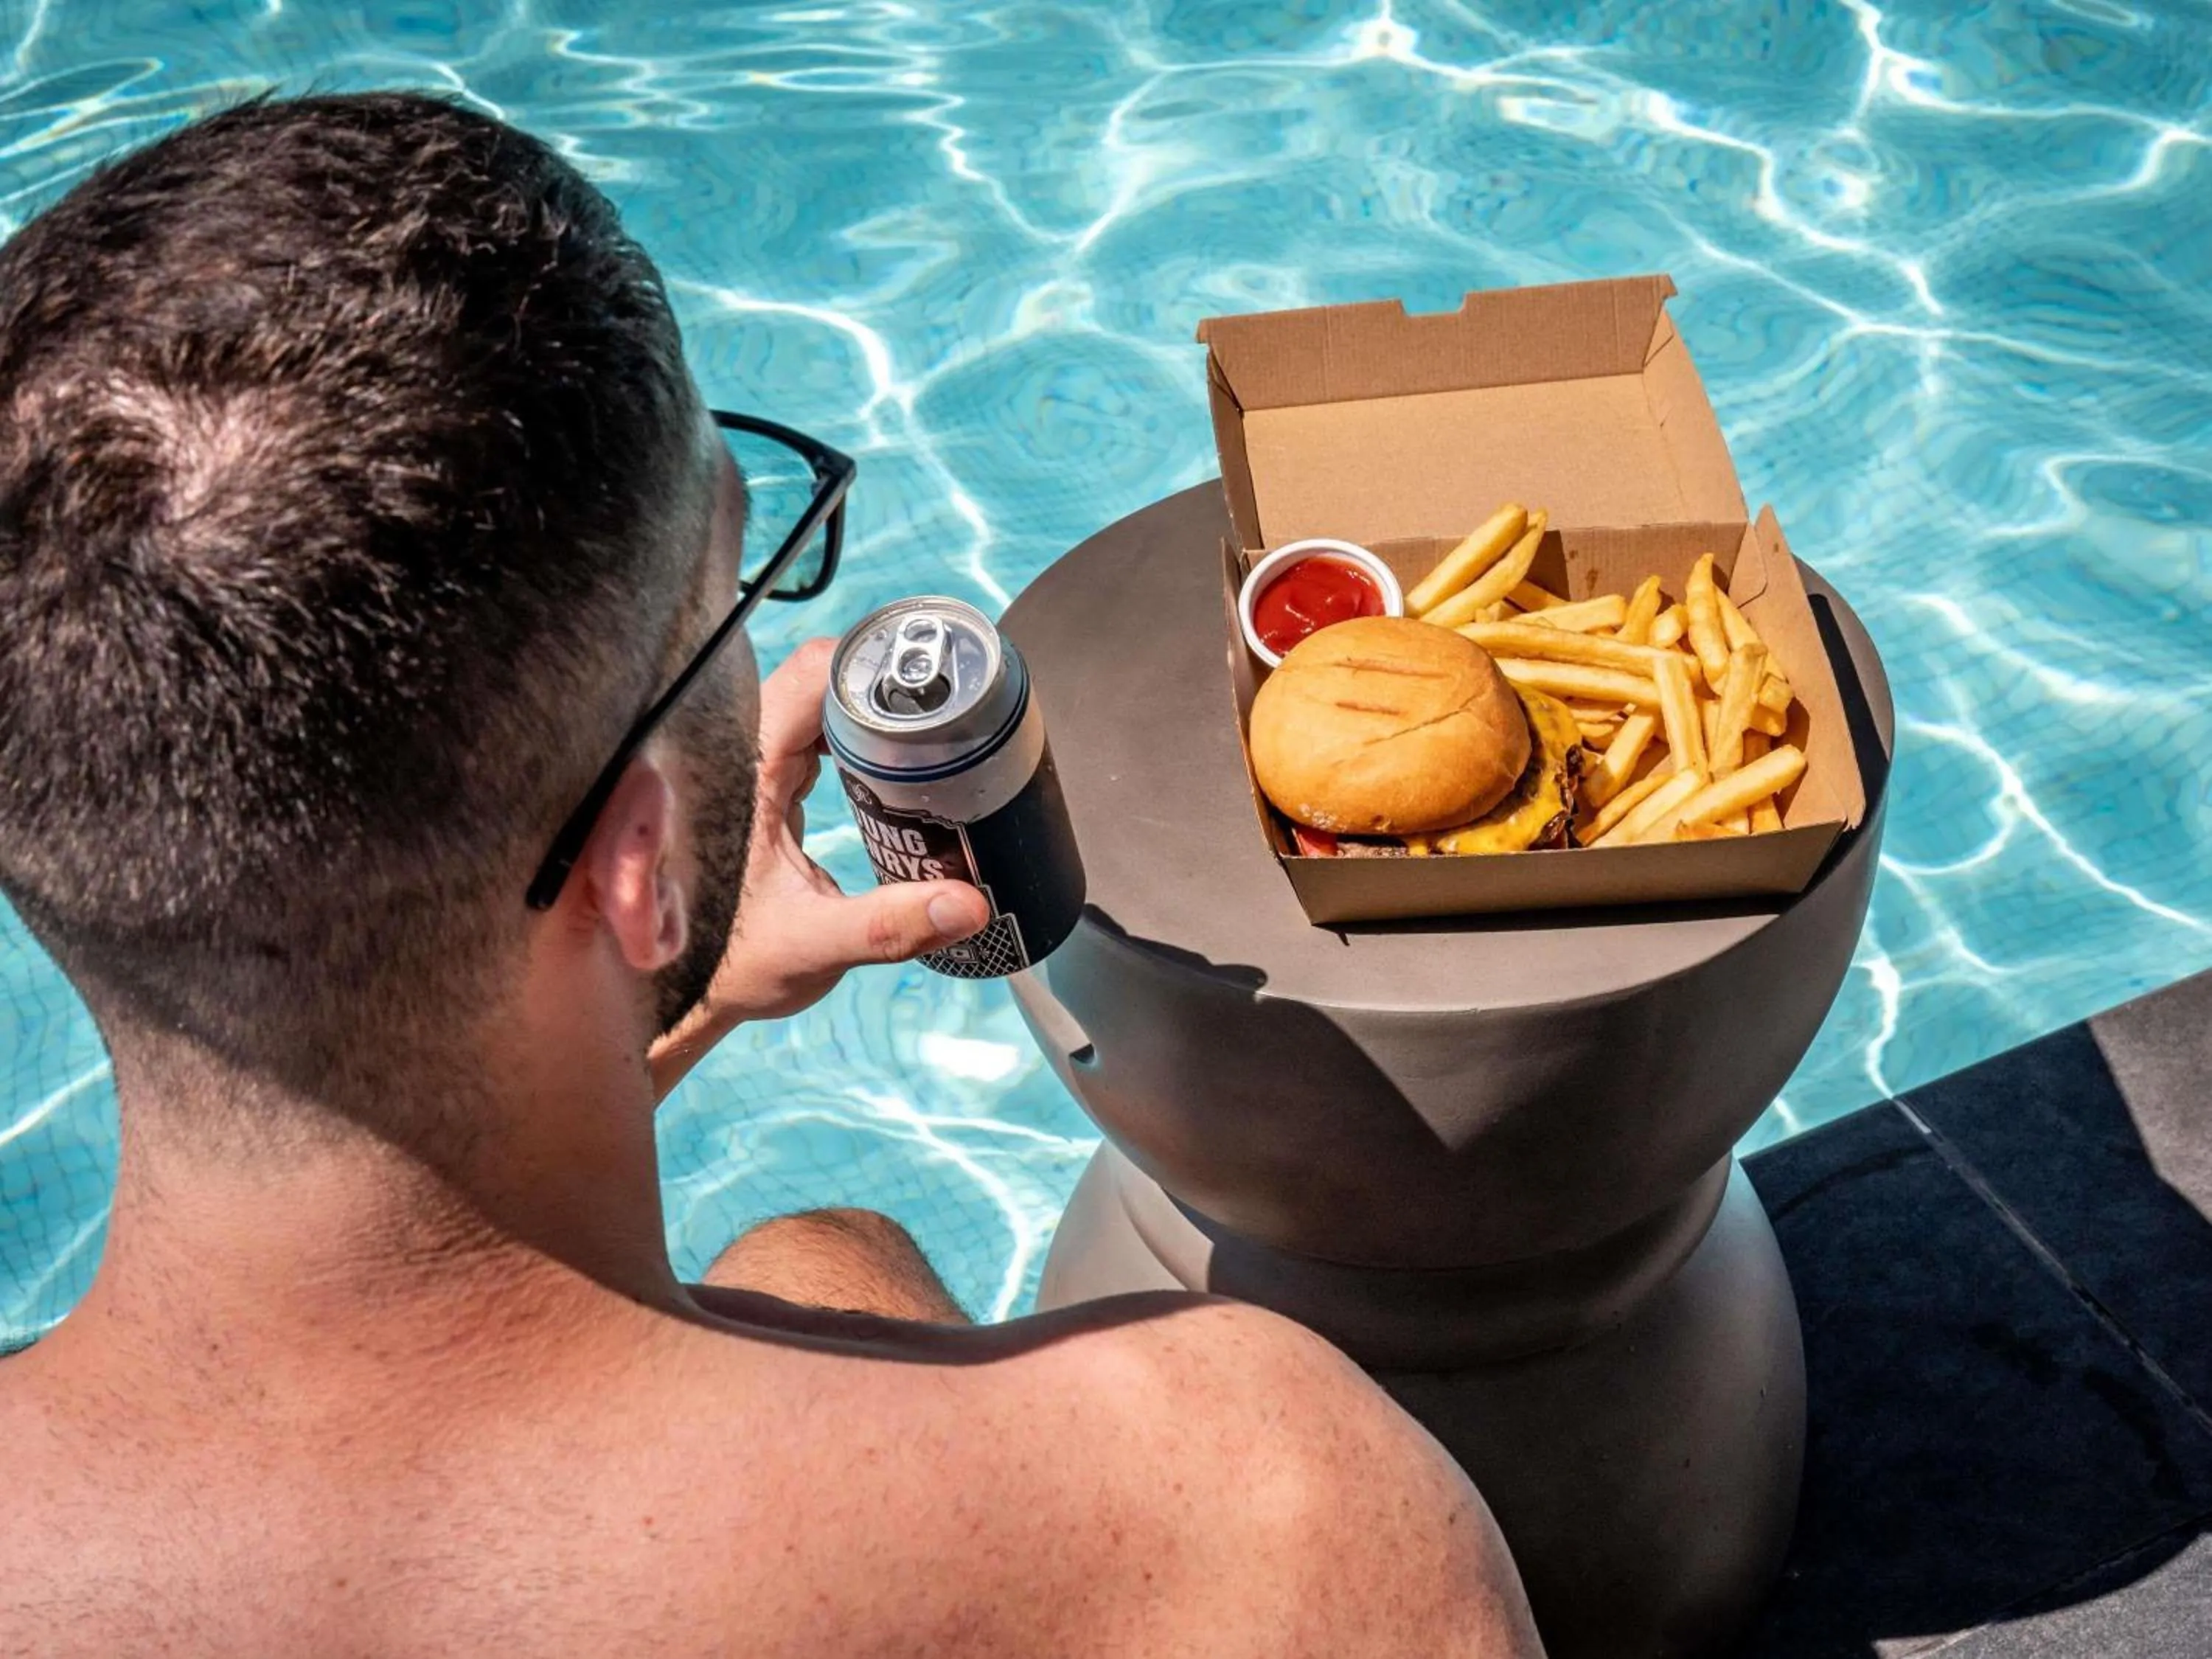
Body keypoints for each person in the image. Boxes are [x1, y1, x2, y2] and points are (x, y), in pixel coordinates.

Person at [0, 93, 1544, 1657]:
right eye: (736, 579)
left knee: (819, 1253)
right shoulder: (1252, 1505)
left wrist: (671, 996)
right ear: (640, 861)